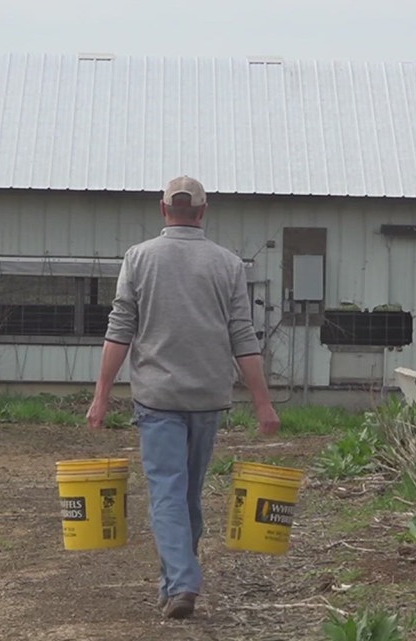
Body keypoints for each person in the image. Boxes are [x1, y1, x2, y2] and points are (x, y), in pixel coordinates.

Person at [85, 175, 281, 620]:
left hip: (157, 397)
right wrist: (263, 403)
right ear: (203, 211)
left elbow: (120, 331)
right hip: (208, 397)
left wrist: (101, 396)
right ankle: (174, 582)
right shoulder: (228, 264)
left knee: (167, 493)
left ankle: (182, 581)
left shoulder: (139, 259)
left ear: (163, 209)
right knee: (187, 492)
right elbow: (243, 337)